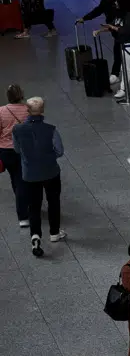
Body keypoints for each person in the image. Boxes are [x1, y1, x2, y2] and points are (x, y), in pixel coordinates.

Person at [12, 95, 64, 257]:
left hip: (29, 174)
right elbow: (60, 151)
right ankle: (54, 233)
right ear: (42, 110)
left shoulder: (17, 129)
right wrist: (48, 157)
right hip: (50, 171)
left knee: (34, 206)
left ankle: (35, 235)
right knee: (53, 201)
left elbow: (17, 149)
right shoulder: (51, 129)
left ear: (27, 110)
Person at [77, 0, 130, 95]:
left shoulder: (126, 1)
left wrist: (113, 27)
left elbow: (127, 22)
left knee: (125, 57)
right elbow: (98, 10)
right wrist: (86, 18)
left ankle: (121, 84)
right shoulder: (107, 0)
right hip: (119, 32)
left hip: (127, 35)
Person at [0, 84, 27, 227]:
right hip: (23, 150)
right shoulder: (28, 109)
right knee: (23, 180)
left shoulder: (1, 111)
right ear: (21, 95)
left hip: (5, 151)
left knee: (15, 178)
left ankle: (21, 201)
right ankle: (23, 215)